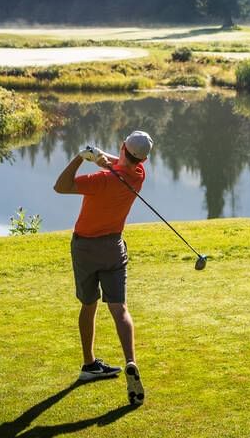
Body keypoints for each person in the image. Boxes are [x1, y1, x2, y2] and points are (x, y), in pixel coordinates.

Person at [52, 129, 153, 407]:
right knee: (119, 309)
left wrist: (78, 158)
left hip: (85, 247)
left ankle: (89, 365)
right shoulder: (138, 176)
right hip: (113, 247)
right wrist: (99, 156)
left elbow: (60, 186)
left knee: (88, 305)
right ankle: (131, 361)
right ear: (142, 158)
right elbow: (120, 164)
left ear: (123, 146)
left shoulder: (100, 181)